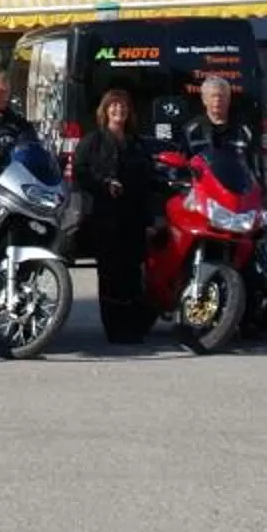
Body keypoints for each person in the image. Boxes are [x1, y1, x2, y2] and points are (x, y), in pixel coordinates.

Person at [76, 88, 157, 344]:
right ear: (105, 110)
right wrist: (104, 184)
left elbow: (148, 183)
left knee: (133, 274)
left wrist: (150, 220)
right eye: (113, 106)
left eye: (122, 107)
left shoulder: (137, 143)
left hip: (133, 216)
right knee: (110, 274)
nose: (118, 111)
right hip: (104, 216)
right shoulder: (93, 141)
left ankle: (134, 327)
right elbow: (80, 173)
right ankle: (114, 328)